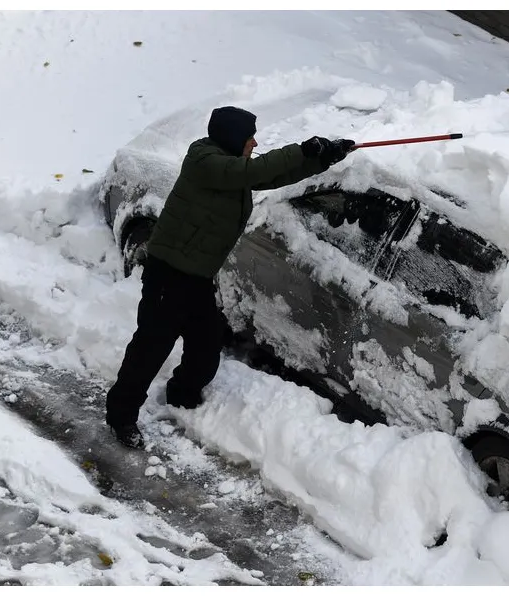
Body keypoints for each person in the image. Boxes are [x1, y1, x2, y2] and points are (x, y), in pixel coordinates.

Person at [105, 105, 355, 449]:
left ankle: (182, 394)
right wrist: (302, 149)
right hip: (170, 272)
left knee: (206, 344)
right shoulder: (205, 161)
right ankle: (120, 415)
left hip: (196, 276)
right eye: (249, 136)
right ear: (231, 138)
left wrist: (324, 158)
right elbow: (250, 170)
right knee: (151, 347)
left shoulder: (233, 170)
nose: (254, 142)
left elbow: (270, 175)